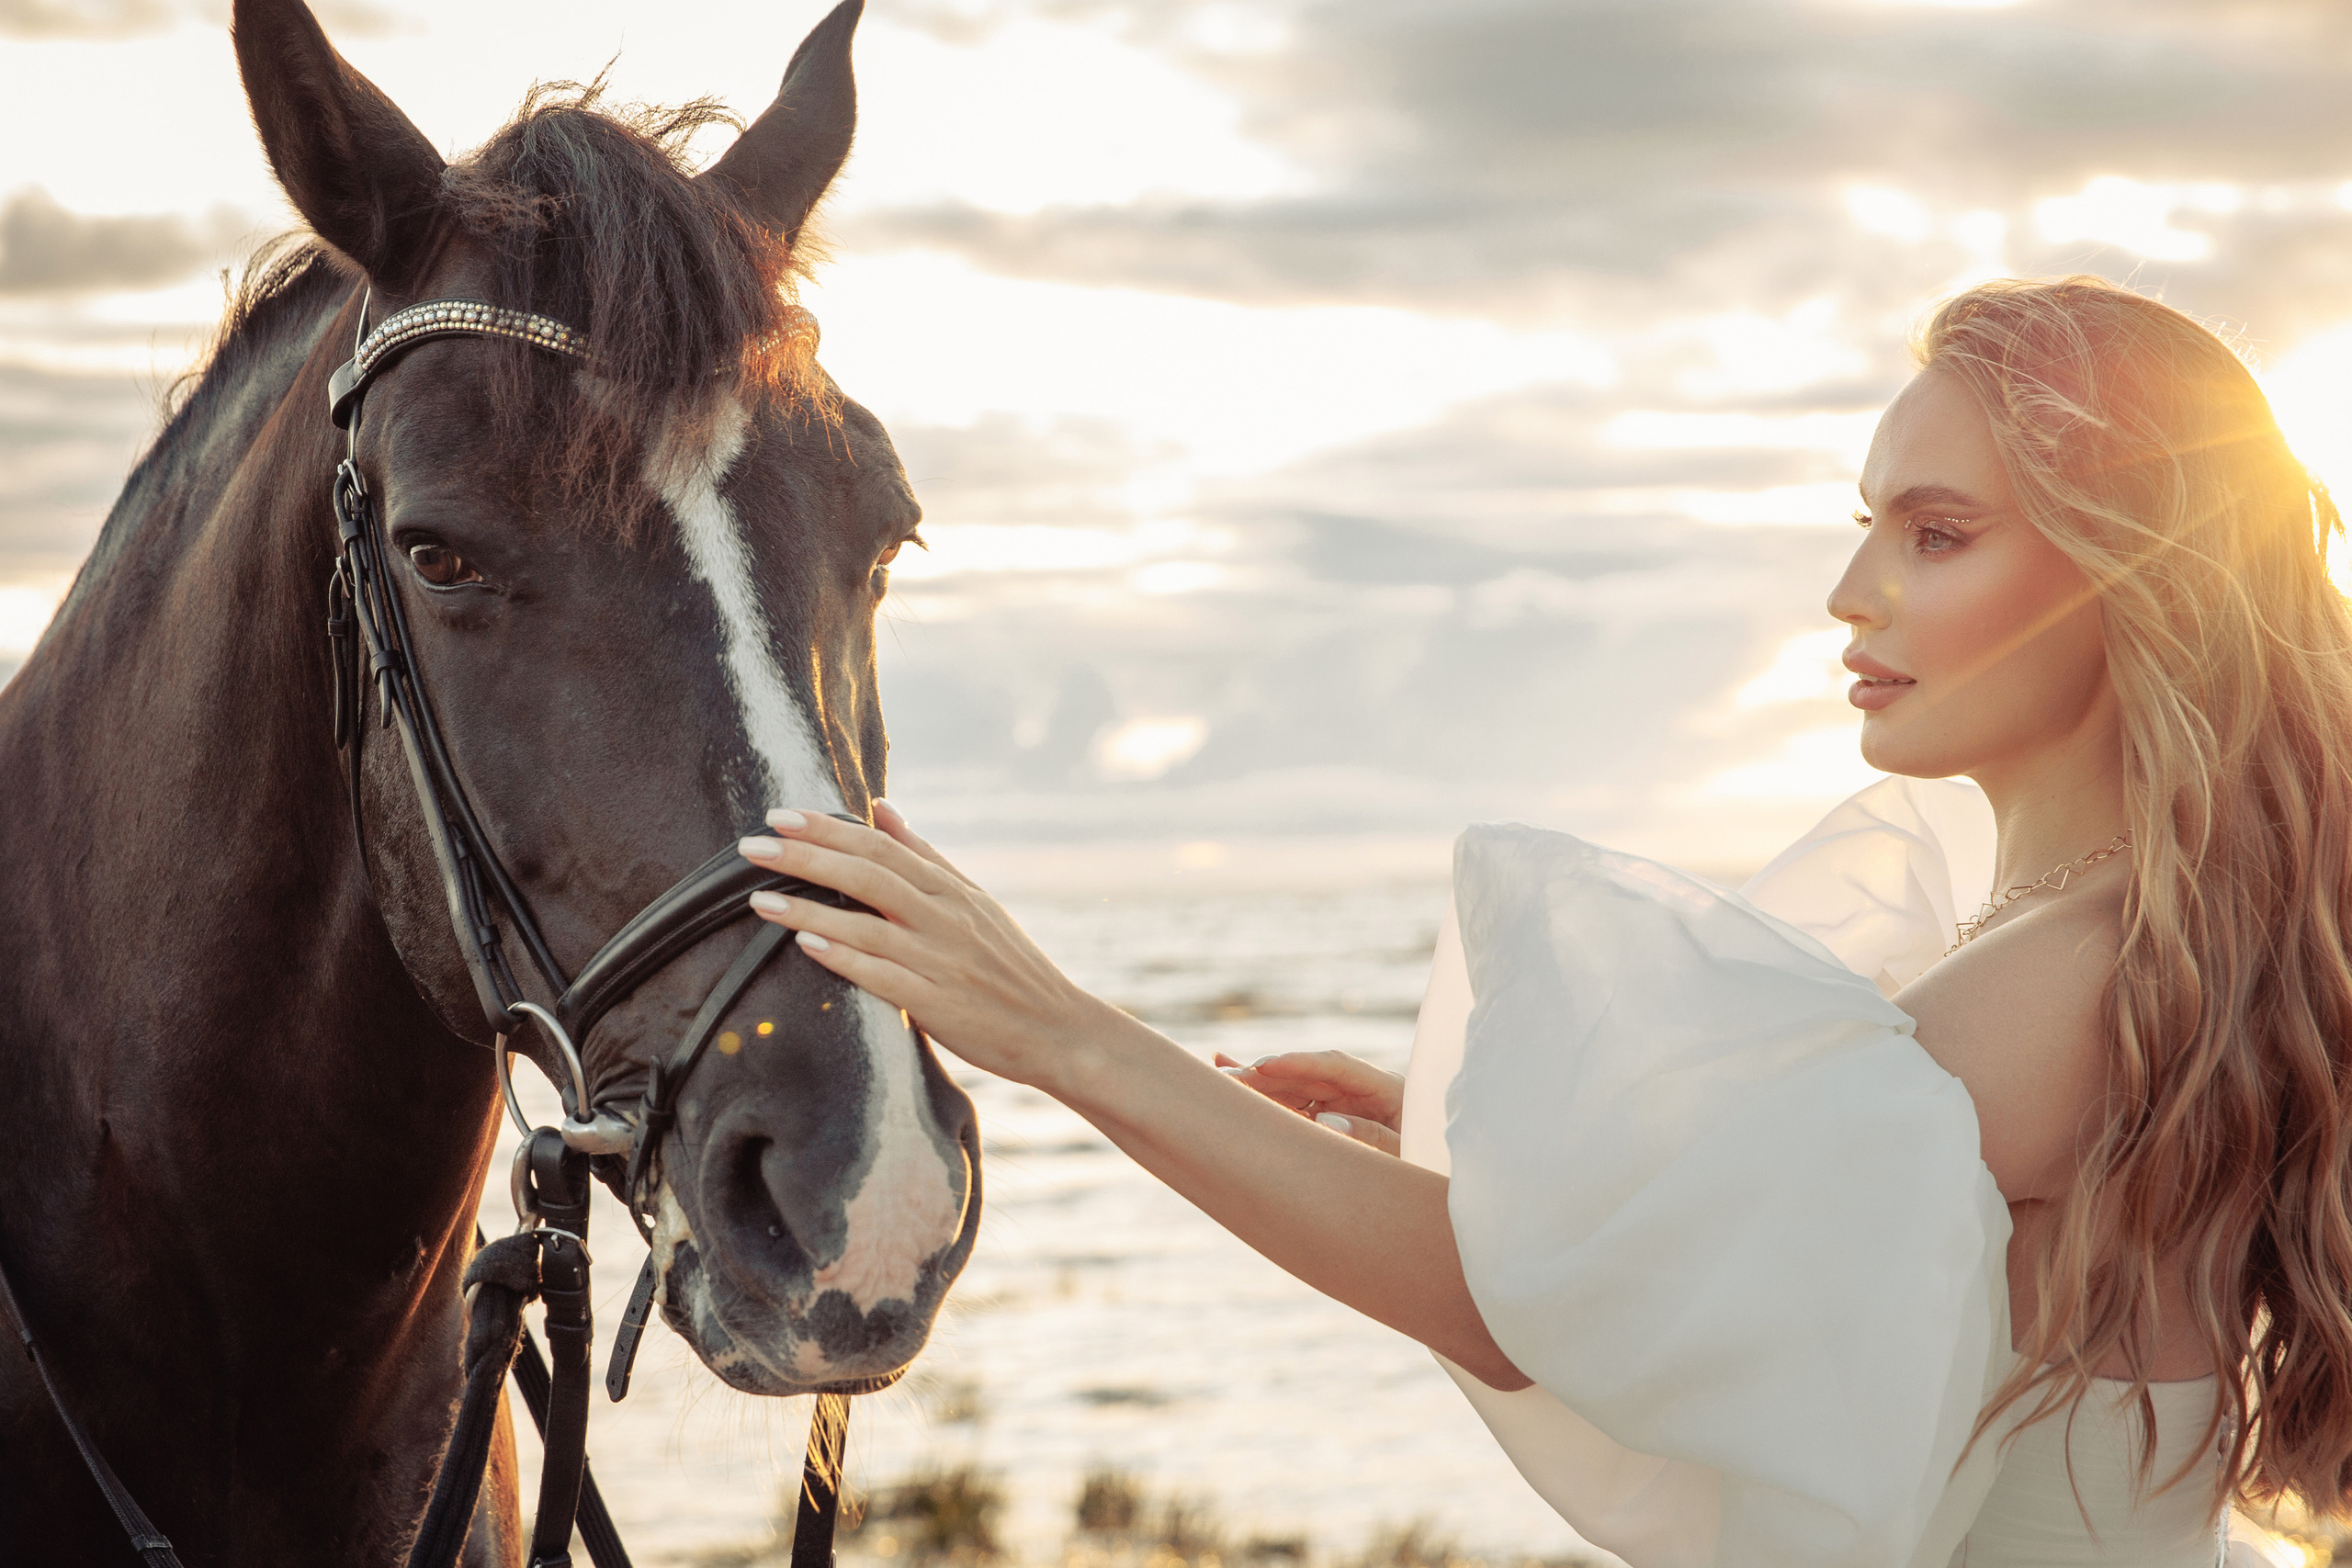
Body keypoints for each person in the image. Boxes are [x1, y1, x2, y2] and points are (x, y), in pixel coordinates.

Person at [730, 276, 2352, 1566]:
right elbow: (1688, 1259)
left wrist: (1063, 1036)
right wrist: (1455, 1157)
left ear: (2135, 574)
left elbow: (1531, 1313)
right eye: (1863, 523)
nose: (1852, 592)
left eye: (1936, 534)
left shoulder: (2064, 983)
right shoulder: (2089, 935)